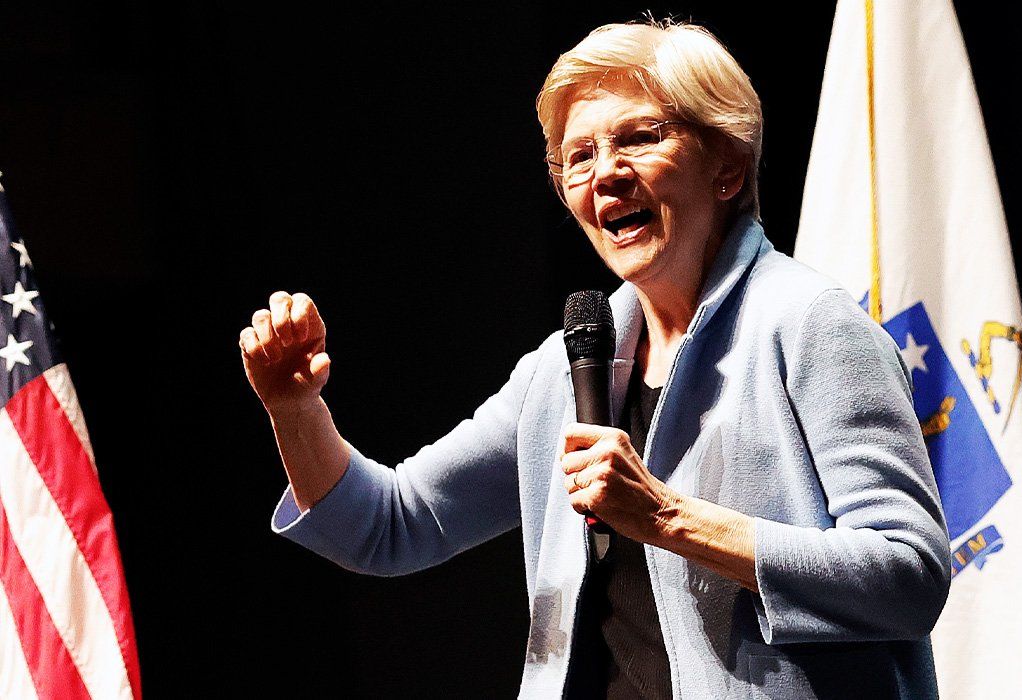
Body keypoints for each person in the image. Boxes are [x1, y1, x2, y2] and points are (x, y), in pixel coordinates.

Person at [239, 17, 952, 699]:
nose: (605, 173)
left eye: (640, 138)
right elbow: (391, 526)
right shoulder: (563, 370)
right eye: (579, 156)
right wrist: (294, 409)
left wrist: (665, 518)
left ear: (727, 168)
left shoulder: (808, 325)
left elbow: (909, 574)